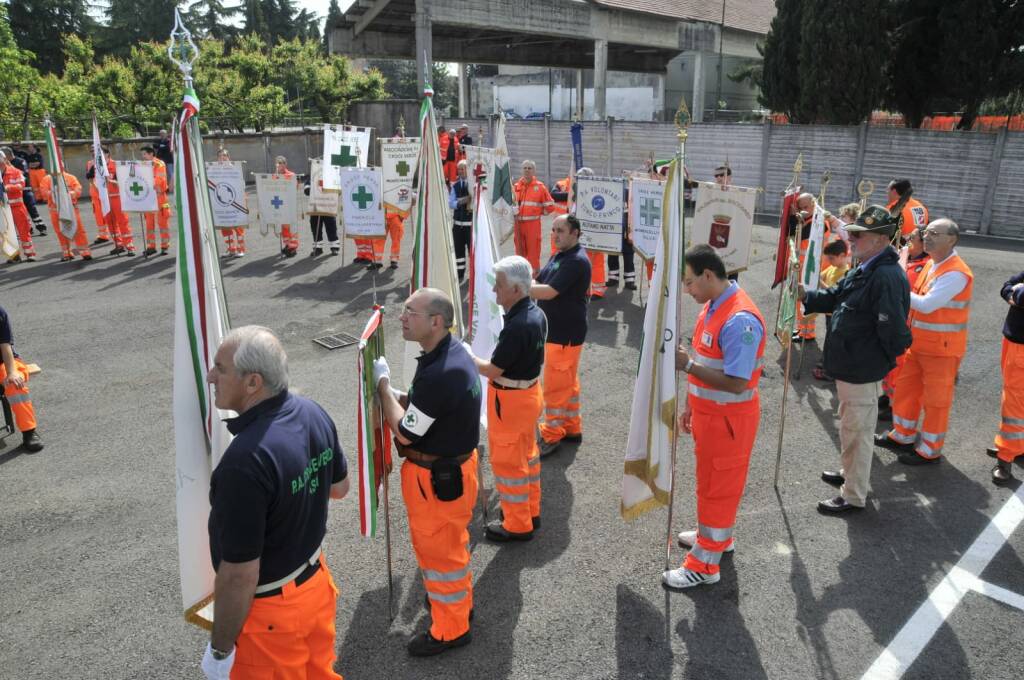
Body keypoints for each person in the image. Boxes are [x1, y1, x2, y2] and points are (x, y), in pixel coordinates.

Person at [201, 326, 348, 680]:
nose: (210, 377)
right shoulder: (312, 411)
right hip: (315, 588)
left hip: (271, 618)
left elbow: (239, 575)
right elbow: (339, 487)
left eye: (220, 369)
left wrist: (220, 651)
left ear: (253, 383)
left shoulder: (244, 463)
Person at [373, 288, 481, 656]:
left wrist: (383, 387)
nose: (402, 317)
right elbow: (428, 409)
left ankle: (451, 629)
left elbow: (404, 431)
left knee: (440, 556)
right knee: (451, 548)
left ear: (436, 321)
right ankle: (456, 605)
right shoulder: (450, 353)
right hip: (453, 470)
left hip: (435, 481)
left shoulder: (442, 371)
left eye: (410, 312)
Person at [664, 244, 765, 589]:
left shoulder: (739, 320)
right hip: (712, 416)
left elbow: (737, 382)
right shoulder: (712, 305)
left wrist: (687, 366)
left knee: (717, 488)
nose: (687, 290)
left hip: (729, 421)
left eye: (690, 282)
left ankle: (704, 566)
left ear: (708, 275)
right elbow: (708, 360)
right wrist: (692, 404)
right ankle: (718, 537)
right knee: (711, 484)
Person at [800, 206, 912, 513]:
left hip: (862, 366)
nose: (851, 240)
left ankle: (853, 494)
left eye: (859, 236)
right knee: (851, 426)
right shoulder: (866, 267)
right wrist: (805, 295)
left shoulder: (885, 275)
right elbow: (836, 295)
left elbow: (893, 330)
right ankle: (850, 475)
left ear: (878, 240)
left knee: (858, 433)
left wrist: (879, 359)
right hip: (852, 364)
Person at [876, 218, 973, 465]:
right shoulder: (933, 264)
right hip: (918, 344)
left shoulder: (956, 273)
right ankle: (902, 435)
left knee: (936, 402)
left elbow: (928, 304)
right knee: (907, 391)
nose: (926, 237)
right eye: (926, 233)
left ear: (951, 239)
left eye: (934, 234)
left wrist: (895, 289)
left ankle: (930, 449)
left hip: (942, 351)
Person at [468, 256, 547, 541]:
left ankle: (517, 523)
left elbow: (492, 369)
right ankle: (530, 511)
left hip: (510, 402)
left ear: (516, 290)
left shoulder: (516, 326)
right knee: (528, 457)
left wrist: (467, 356)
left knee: (508, 463)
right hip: (528, 395)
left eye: (499, 286)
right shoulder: (535, 313)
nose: (494, 292)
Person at [531, 214, 591, 457]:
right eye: (554, 230)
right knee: (568, 383)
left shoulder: (576, 260)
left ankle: (551, 435)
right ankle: (571, 426)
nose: (555, 235)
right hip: (559, 331)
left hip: (564, 333)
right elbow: (542, 279)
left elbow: (549, 291)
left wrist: (516, 288)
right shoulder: (561, 254)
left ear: (575, 232)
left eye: (561, 230)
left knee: (556, 387)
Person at [879, 226, 931, 416]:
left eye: (912, 237)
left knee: (900, 367)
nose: (907, 239)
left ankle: (895, 405)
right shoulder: (908, 257)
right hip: (893, 318)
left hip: (906, 323)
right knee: (889, 363)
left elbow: (902, 285)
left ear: (922, 243)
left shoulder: (925, 264)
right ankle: (887, 395)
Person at [989, 271, 1024, 485]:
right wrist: (1014, 290)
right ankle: (1017, 446)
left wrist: (1017, 292)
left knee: (1013, 403)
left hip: (1021, 347)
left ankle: (1006, 458)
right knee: (1016, 399)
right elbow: (1007, 285)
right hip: (1013, 341)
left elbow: (1019, 295)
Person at [0, 305, 44, 452]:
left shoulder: (0, 313)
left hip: (6, 361)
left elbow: (5, 346)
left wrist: (11, 372)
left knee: (14, 383)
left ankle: (29, 432)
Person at [811, 239, 850, 381]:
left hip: (836, 313)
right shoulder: (833, 267)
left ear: (842, 255)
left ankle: (830, 372)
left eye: (832, 258)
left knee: (833, 342)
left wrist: (818, 282)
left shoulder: (845, 272)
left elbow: (833, 292)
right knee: (828, 339)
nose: (830, 261)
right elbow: (821, 275)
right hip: (829, 312)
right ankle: (825, 363)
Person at [37, 168, 93, 261]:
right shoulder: (47, 179)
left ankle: (85, 252)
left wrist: (69, 194)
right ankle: (67, 253)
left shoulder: (70, 177)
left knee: (78, 230)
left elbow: (78, 190)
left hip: (71, 209)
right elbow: (44, 193)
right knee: (60, 231)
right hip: (55, 211)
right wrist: (55, 193)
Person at [512, 160, 555, 272]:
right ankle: (520, 276)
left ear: (534, 171)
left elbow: (550, 206)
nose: (527, 170)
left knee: (533, 254)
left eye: (529, 168)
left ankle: (534, 279)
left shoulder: (540, 187)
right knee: (519, 253)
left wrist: (537, 212)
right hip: (518, 225)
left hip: (533, 226)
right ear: (522, 170)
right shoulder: (516, 187)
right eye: (525, 168)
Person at [789, 192, 818, 343]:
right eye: (801, 208)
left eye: (806, 207)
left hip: (810, 269)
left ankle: (808, 333)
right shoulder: (807, 219)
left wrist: (796, 217)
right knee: (799, 299)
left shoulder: (818, 221)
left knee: (806, 300)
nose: (803, 211)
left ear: (814, 204)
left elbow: (799, 232)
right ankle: (802, 328)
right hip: (802, 267)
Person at [1, 152, 38, 261]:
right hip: (3, 209)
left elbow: (21, 185)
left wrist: (8, 187)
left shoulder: (16, 172)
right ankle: (13, 255)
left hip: (17, 207)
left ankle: (30, 253)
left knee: (24, 230)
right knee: (7, 233)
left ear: (4, 159)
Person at [213, 148, 246, 258]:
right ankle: (231, 249)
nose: (222, 158)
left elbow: (241, 185)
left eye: (224, 156)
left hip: (235, 202)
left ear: (228, 157)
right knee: (225, 227)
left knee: (238, 227)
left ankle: (241, 249)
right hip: (222, 203)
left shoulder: (235, 169)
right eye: (220, 156)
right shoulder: (215, 171)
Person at [7, 146, 47, 235]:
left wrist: (10, 170)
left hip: (25, 191)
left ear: (8, 155)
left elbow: (22, 173)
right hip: (15, 192)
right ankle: (28, 229)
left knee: (32, 210)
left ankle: (42, 228)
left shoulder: (20, 161)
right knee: (21, 212)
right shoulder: (6, 165)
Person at [140, 145, 171, 256]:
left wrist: (146, 182)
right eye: (142, 155)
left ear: (151, 154)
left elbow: (159, 180)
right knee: (149, 224)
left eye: (144, 154)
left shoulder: (159, 164)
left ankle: (164, 246)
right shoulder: (142, 165)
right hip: (147, 197)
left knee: (162, 223)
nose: (143, 157)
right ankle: (151, 246)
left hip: (159, 196)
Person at [606, 180, 636, 292]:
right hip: (614, 233)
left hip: (627, 233)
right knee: (612, 255)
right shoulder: (611, 196)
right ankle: (613, 278)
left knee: (628, 257)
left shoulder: (631, 196)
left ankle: (630, 281)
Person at [302, 173, 339, 258]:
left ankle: (334, 247)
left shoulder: (331, 175)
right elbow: (306, 189)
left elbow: (337, 190)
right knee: (315, 227)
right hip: (315, 205)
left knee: (331, 226)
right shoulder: (312, 175)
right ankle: (318, 248)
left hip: (328, 205)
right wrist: (311, 189)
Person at [448, 160, 472, 281]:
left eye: (463, 169)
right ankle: (460, 273)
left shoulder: (474, 186)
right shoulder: (455, 186)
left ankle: (474, 274)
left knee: (472, 251)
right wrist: (462, 201)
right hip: (457, 225)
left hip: (471, 226)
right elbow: (450, 203)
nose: (461, 171)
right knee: (458, 251)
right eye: (459, 169)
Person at [273, 156, 298, 258]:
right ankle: (287, 244)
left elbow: (294, 187)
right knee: (283, 226)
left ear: (285, 164)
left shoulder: (291, 175)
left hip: (289, 204)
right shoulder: (275, 176)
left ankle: (293, 246)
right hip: (279, 204)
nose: (279, 165)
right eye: (277, 163)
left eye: (281, 163)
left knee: (290, 225)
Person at [84, 158, 112, 245]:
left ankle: (115, 234)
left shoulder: (109, 163)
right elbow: (89, 177)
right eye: (91, 150)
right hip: (95, 194)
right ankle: (103, 235)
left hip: (106, 194)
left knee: (110, 215)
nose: (93, 151)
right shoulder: (90, 163)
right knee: (99, 216)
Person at [154, 129, 174, 193]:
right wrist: (161, 146)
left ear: (166, 134)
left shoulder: (169, 141)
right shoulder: (159, 140)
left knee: (170, 174)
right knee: (161, 174)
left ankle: (172, 188)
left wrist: (161, 147)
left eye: (163, 133)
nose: (161, 135)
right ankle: (164, 188)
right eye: (160, 134)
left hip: (168, 160)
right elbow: (154, 145)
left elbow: (168, 148)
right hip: (160, 160)